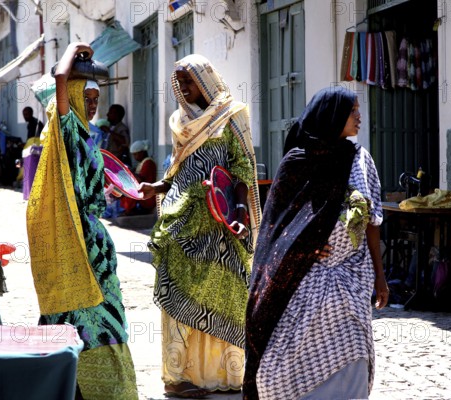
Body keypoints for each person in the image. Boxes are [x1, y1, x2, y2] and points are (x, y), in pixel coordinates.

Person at [243, 87, 389, 399]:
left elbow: (373, 221)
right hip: (303, 278)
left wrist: (380, 276)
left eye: (357, 110)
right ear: (331, 116)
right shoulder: (296, 163)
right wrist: (304, 248)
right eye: (352, 111)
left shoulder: (360, 159)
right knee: (282, 362)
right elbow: (276, 230)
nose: (359, 116)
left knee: (353, 345)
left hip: (353, 276)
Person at [138, 54, 262, 398]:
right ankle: (177, 377)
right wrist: (157, 188)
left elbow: (240, 168)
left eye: (189, 80)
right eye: (179, 81)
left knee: (229, 295)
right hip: (180, 225)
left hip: (221, 225)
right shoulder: (179, 120)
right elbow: (179, 171)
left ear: (205, 80)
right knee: (177, 297)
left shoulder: (233, 114)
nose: (183, 88)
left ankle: (225, 374)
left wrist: (238, 212)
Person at [26, 42, 137, 399]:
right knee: (84, 311)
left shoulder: (91, 137)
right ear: (72, 97)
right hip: (74, 240)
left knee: (105, 311)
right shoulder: (66, 126)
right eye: (87, 99)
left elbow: (82, 188)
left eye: (96, 101)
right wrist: (74, 48)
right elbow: (60, 75)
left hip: (94, 238)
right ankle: (78, 385)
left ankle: (94, 385)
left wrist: (107, 196)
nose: (92, 106)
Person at [118, 140, 157, 215]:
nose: (134, 157)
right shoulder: (142, 163)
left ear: (142, 152)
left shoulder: (148, 163)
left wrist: (128, 171)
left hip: (147, 195)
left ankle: (130, 210)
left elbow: (140, 180)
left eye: (136, 154)